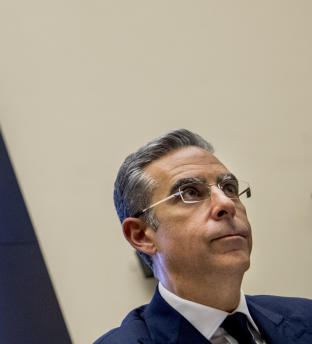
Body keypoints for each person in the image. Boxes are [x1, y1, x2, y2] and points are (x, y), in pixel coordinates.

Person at [95, 129, 312, 344]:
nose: (226, 203)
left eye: (229, 188)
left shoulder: (306, 317)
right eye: (190, 192)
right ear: (142, 235)